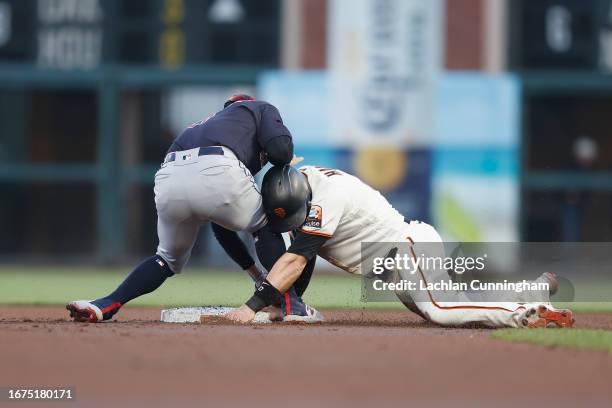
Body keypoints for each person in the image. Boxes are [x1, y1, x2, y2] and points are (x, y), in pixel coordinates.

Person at [66, 95, 322, 323]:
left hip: (169, 176)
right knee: (264, 225)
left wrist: (256, 274)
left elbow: (221, 227)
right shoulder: (259, 108)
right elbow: (281, 150)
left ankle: (105, 304)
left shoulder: (204, 126)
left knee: (166, 259)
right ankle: (292, 305)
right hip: (218, 166)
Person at [225, 165, 575, 329]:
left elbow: (298, 259)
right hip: (398, 262)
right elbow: (305, 256)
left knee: (440, 310)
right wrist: (288, 304)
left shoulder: (328, 197)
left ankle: (525, 313)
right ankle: (533, 287)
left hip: (406, 249)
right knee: (447, 306)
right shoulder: (306, 182)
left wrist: (253, 306)